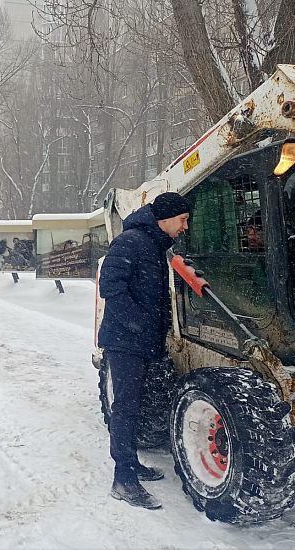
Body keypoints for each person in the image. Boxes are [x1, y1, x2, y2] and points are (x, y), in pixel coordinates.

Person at [98, 191, 191, 510]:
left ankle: (132, 463)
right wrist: (139, 324)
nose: (185, 226)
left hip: (142, 341)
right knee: (125, 407)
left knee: (136, 404)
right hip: (125, 342)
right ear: (164, 219)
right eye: (182, 220)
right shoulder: (130, 242)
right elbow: (110, 286)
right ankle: (123, 479)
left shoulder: (152, 244)